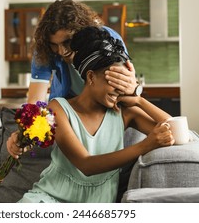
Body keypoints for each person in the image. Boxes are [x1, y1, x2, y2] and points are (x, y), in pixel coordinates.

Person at [17, 26, 174, 203]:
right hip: (48, 200)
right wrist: (145, 145)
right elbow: (86, 164)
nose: (119, 88)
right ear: (91, 77)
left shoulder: (125, 112)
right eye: (113, 81)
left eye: (122, 82)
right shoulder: (59, 109)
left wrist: (139, 100)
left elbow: (179, 134)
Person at [7, 0, 139, 157]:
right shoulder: (43, 51)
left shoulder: (106, 39)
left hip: (104, 109)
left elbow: (125, 87)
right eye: (54, 44)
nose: (62, 51)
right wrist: (26, 133)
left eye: (67, 42)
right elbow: (35, 100)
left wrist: (134, 88)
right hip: (67, 111)